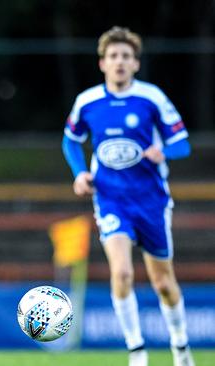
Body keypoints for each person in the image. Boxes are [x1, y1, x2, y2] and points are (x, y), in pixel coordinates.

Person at [62, 27, 194, 366]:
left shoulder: (152, 98)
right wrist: (80, 173)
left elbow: (182, 143)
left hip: (151, 201)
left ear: (135, 64)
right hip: (110, 199)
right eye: (113, 56)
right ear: (102, 63)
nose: (119, 62)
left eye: (126, 56)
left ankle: (180, 346)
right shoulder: (88, 102)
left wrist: (162, 150)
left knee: (163, 282)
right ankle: (137, 351)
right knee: (121, 273)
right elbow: (70, 140)